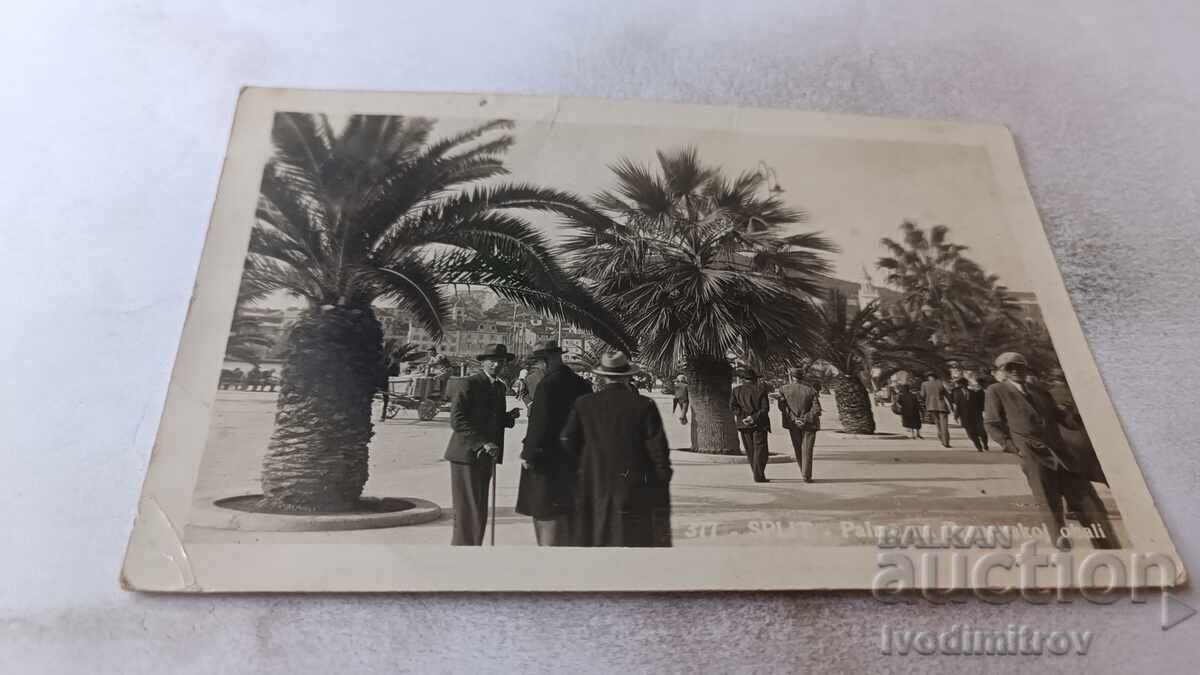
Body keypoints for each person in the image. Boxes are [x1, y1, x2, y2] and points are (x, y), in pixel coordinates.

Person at [983, 352, 1118, 550]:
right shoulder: (996, 391)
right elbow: (992, 423)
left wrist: (1076, 414)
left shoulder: (1040, 391)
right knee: (1050, 506)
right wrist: (1014, 447)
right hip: (1033, 456)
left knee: (1089, 503)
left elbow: (1062, 419)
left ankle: (1109, 549)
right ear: (1002, 371)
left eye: (1019, 366)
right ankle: (1063, 550)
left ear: (1026, 368)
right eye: (1009, 368)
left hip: (1063, 455)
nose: (1015, 371)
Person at [560, 351, 672, 547]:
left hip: (593, 481)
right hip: (634, 483)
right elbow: (657, 448)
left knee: (595, 539)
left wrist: (584, 464)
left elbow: (568, 440)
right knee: (631, 540)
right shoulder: (644, 405)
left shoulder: (584, 404)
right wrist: (661, 478)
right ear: (628, 376)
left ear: (603, 376)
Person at [515, 340, 592, 546]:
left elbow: (539, 424)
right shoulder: (581, 383)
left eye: (537, 362)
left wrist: (528, 454)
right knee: (568, 515)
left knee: (545, 513)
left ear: (545, 361)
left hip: (546, 460)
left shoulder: (547, 385)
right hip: (574, 459)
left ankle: (548, 557)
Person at [443, 344, 522, 546]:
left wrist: (508, 417)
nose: (496, 365)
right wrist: (483, 442)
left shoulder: (499, 386)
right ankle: (462, 550)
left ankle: (475, 548)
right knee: (467, 509)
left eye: (501, 362)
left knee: (479, 507)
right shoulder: (468, 383)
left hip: (486, 456)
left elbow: (491, 418)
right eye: (492, 361)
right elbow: (458, 420)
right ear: (483, 362)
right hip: (466, 455)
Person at [777, 367, 822, 482]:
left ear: (791, 377)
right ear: (803, 376)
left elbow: (783, 408)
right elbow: (817, 409)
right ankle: (806, 475)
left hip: (793, 424)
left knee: (798, 448)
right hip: (809, 424)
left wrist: (795, 419)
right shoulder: (811, 390)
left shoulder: (784, 389)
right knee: (807, 449)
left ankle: (803, 471)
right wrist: (804, 419)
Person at [730, 366, 772, 483]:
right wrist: (752, 418)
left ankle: (757, 473)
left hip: (743, 424)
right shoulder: (761, 390)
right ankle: (758, 475)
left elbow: (733, 406)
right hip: (759, 424)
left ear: (743, 379)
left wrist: (743, 417)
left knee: (750, 450)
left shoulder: (736, 390)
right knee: (761, 451)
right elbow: (765, 409)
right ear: (755, 379)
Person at [951, 377, 988, 451]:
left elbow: (981, 402)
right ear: (959, 385)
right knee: (971, 433)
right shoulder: (956, 393)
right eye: (961, 384)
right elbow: (957, 406)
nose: (963, 385)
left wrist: (982, 411)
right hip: (964, 416)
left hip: (976, 415)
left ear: (967, 384)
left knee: (981, 431)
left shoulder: (973, 392)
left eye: (965, 383)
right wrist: (956, 416)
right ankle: (978, 447)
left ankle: (985, 444)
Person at [921, 370, 954, 447]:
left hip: (931, 407)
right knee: (944, 425)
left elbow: (922, 395)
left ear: (928, 377)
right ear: (935, 377)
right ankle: (946, 442)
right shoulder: (940, 383)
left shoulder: (924, 384)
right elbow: (947, 395)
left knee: (938, 424)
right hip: (942, 406)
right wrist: (951, 406)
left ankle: (941, 438)